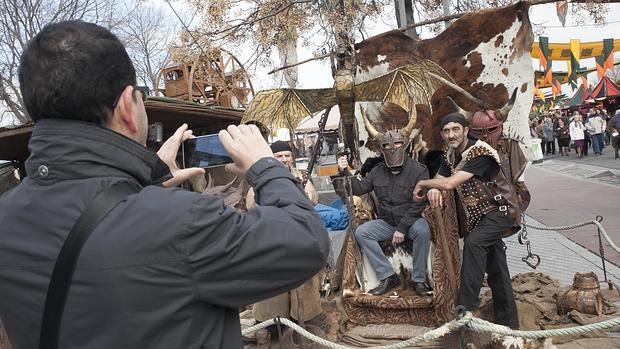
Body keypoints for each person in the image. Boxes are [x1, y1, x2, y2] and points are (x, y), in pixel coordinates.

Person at [0, 20, 329, 349]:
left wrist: (147, 186)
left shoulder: (7, 217)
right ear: (128, 106)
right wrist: (264, 165)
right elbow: (306, 241)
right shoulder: (183, 222)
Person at [412, 113, 519, 329]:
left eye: (456, 129)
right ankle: (510, 324)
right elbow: (441, 180)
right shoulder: (449, 155)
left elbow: (450, 184)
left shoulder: (479, 152)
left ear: (466, 130)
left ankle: (466, 305)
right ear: (442, 134)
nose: (451, 135)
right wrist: (433, 188)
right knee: (497, 269)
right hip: (480, 218)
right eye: (446, 131)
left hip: (500, 211)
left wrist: (423, 183)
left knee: (474, 243)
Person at [336, 129, 432, 296]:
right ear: (381, 148)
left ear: (405, 145)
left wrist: (402, 229)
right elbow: (359, 188)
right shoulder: (377, 171)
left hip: (411, 221)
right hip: (387, 222)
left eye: (397, 143)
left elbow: (419, 203)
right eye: (387, 145)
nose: (392, 148)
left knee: (423, 230)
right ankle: (387, 276)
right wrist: (344, 171)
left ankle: (419, 280)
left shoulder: (419, 170)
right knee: (362, 232)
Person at [246, 140, 318, 208]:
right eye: (279, 156)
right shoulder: (262, 177)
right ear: (271, 158)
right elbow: (250, 206)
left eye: (287, 156)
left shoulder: (301, 175)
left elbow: (314, 200)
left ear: (292, 158)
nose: (284, 160)